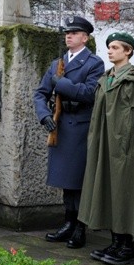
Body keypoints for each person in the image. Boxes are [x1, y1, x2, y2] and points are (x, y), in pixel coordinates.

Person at [78, 32, 134, 265]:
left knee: (126, 192)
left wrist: (129, 147)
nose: (110, 51)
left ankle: (127, 246)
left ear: (128, 51)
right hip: (106, 146)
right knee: (109, 192)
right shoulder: (106, 78)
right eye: (109, 47)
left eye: (116, 47)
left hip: (128, 149)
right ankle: (116, 242)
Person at [33, 16, 104, 249]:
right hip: (60, 125)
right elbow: (40, 93)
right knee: (66, 181)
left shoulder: (94, 63)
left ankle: (80, 227)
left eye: (74, 33)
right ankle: (68, 222)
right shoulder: (57, 64)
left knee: (79, 181)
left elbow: (89, 93)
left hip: (81, 125)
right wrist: (44, 116)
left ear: (85, 37)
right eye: (67, 33)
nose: (69, 36)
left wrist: (60, 84)